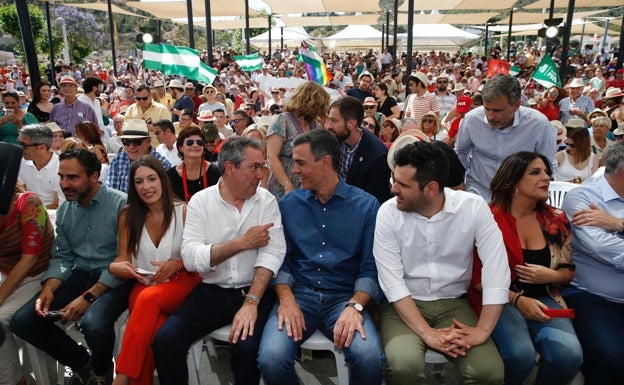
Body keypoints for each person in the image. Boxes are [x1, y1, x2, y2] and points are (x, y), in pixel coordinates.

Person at [373, 140, 509, 385]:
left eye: (402, 184)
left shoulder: (472, 207)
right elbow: (391, 281)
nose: (394, 189)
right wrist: (427, 333)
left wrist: (482, 331)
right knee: (404, 366)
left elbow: (497, 269)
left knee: (488, 371)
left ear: (431, 188)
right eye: (394, 180)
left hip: (455, 304)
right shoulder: (388, 212)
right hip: (403, 303)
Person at [152, 137, 286, 385]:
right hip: (212, 291)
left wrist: (251, 302)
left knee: (245, 350)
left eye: (262, 166)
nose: (260, 174)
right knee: (166, 340)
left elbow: (273, 254)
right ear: (230, 168)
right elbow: (191, 258)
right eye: (254, 167)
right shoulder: (201, 202)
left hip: (254, 291)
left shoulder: (265, 200)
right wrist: (242, 243)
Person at [258, 129, 384, 385]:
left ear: (326, 163)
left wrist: (355, 306)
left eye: (301, 163)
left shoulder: (367, 206)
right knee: (271, 359)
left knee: (370, 358)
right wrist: (286, 298)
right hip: (299, 294)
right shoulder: (289, 204)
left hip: (344, 298)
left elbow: (370, 269)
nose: (294, 170)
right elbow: (281, 259)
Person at [11, 149, 130, 385]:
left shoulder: (120, 204)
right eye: (61, 177)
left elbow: (124, 261)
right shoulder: (66, 209)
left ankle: (103, 369)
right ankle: (85, 364)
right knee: (23, 321)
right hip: (80, 274)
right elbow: (63, 257)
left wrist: (87, 297)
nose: (64, 184)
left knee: (93, 325)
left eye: (73, 177)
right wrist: (49, 288)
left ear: (94, 176)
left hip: (115, 278)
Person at [469, 151, 582, 385]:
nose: (546, 178)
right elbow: (475, 278)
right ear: (513, 181)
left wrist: (550, 275)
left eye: (546, 172)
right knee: (520, 355)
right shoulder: (487, 218)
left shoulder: (556, 219)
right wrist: (518, 300)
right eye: (535, 172)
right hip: (497, 299)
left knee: (569, 356)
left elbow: (568, 271)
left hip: (544, 297)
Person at [109, 156, 201, 385]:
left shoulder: (185, 211)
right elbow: (121, 259)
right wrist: (117, 267)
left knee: (149, 300)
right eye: (139, 182)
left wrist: (176, 264)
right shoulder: (128, 215)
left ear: (162, 179)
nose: (146, 187)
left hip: (183, 281)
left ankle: (121, 377)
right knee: (154, 334)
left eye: (152, 179)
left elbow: (200, 257)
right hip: (143, 284)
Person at [561, 140, 624, 385]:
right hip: (594, 297)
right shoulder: (581, 198)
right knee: (611, 357)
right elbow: (601, 247)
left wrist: (618, 225)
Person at [455, 74, 557, 201]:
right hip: (479, 193)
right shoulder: (471, 120)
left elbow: (548, 165)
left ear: (517, 105)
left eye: (498, 111)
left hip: (520, 199)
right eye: (486, 109)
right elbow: (460, 153)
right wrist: (458, 186)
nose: (490, 116)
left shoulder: (539, 124)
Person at [0, 183, 53, 385]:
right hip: (9, 276)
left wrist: (1, 295)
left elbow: (30, 258)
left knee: (0, 321)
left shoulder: (29, 203)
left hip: (38, 275)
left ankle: (14, 381)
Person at [266, 81, 329, 199]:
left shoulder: (316, 126)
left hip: (307, 189)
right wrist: (287, 185)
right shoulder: (282, 120)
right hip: (282, 188)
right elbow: (271, 157)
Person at [325, 96, 392, 203]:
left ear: (352, 124)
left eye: (334, 121)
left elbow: (373, 202)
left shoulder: (377, 156)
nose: (329, 126)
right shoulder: (335, 139)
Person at [106, 119, 172, 193]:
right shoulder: (117, 160)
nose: (131, 147)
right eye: (126, 142)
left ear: (148, 141)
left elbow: (167, 194)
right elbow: (112, 193)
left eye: (136, 142)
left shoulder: (163, 164)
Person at [17, 124, 66, 210]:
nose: (19, 148)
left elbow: (57, 204)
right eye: (18, 143)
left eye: (23, 145)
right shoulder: (22, 162)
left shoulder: (60, 167)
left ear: (42, 148)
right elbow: (21, 194)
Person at [166, 126, 220, 201]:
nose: (195, 145)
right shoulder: (170, 176)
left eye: (199, 142)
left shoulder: (217, 172)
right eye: (190, 143)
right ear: (180, 148)